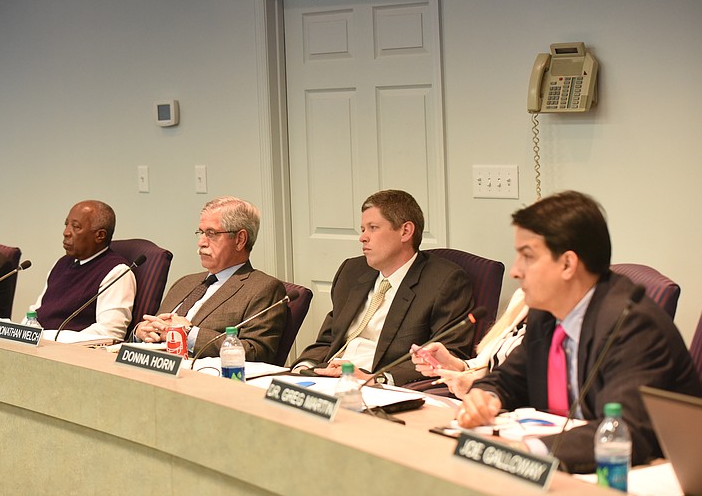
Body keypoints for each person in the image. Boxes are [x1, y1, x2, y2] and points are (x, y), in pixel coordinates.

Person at [458, 190, 702, 473]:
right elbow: (510, 378)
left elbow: (623, 429)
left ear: (567, 264)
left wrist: (529, 453)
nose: (515, 271)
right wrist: (486, 396)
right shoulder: (547, 314)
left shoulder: (632, 323)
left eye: (527, 256)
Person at [291, 189, 475, 386]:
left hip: (378, 385)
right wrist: (304, 366)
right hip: (330, 378)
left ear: (405, 231)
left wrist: (376, 379)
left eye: (373, 228)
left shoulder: (444, 281)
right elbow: (329, 339)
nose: (362, 238)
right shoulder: (351, 271)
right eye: (363, 229)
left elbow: (447, 355)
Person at [134, 196, 286, 363]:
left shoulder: (262, 288)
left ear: (240, 239)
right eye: (201, 232)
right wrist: (141, 332)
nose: (201, 242)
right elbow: (157, 327)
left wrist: (188, 333)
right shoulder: (184, 283)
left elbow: (256, 352)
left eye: (211, 234)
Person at [31, 200, 135, 341]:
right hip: (40, 346)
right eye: (66, 224)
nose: (66, 232)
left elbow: (109, 333)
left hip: (69, 354)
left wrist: (48, 337)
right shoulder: (61, 263)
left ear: (100, 235)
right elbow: (37, 311)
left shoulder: (117, 272)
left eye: (76, 227)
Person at [411, 288, 528, 398]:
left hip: (505, 411)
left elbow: (534, 393)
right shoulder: (522, 297)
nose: (514, 272)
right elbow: (489, 366)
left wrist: (478, 388)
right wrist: (453, 364)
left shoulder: (543, 321)